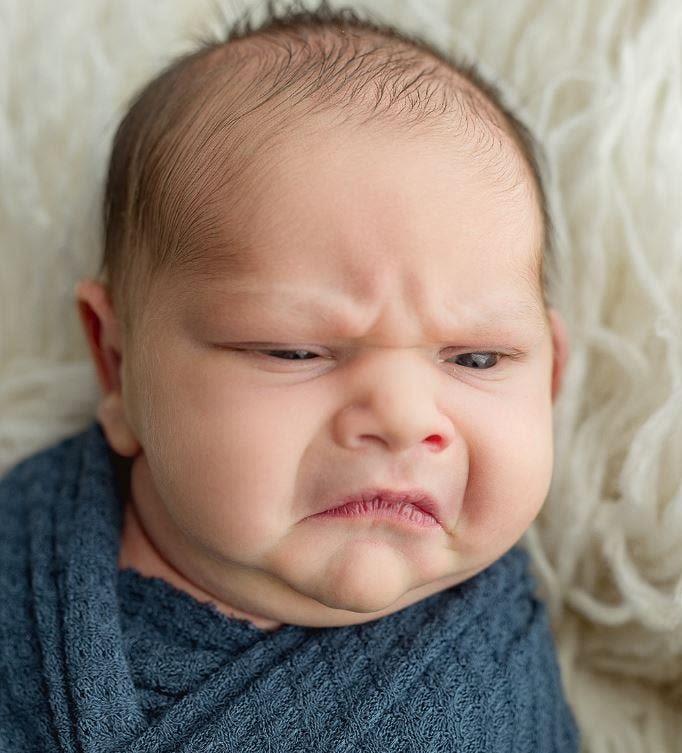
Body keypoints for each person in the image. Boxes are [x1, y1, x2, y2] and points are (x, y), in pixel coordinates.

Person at [0, 2, 578, 750]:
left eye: (476, 358)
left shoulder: (490, 692)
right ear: (117, 363)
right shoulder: (28, 560)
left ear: (552, 376)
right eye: (292, 350)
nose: (403, 416)